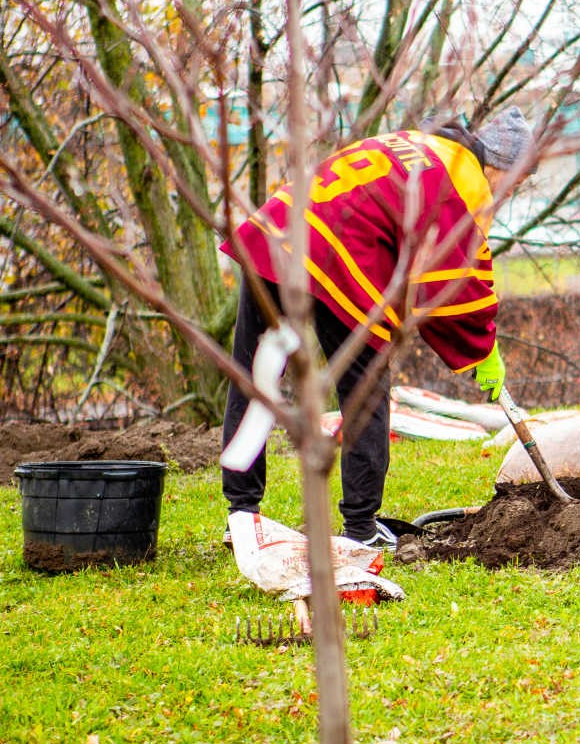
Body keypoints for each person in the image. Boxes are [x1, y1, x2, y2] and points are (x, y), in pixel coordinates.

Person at [220, 108, 533, 545]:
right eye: (514, 184)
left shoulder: (418, 144)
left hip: (274, 234)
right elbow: (454, 280)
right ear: (503, 167)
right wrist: (483, 348)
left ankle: (242, 516)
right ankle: (361, 530)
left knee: (256, 379)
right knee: (364, 387)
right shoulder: (464, 182)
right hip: (332, 257)